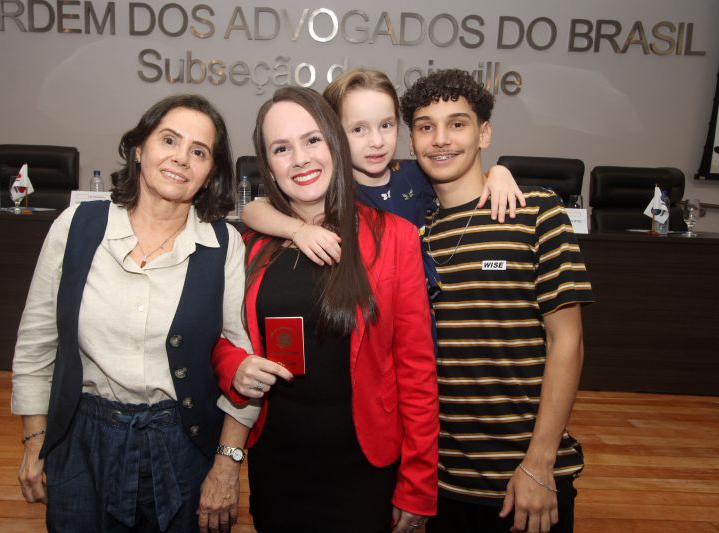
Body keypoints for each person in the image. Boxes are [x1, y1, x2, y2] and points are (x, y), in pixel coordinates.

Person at [12, 94, 259, 533]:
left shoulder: (225, 247)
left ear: (210, 173)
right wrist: (34, 438)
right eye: (169, 140)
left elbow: (244, 366)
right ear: (140, 149)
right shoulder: (76, 227)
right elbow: (37, 342)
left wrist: (227, 464)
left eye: (199, 152)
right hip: (80, 442)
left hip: (182, 444)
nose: (181, 158)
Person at [211, 86, 439, 533]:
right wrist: (233, 366)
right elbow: (222, 339)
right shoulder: (247, 245)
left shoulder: (395, 238)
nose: (300, 159)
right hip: (277, 465)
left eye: (312, 140)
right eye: (281, 148)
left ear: (334, 142)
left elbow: (416, 370)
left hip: (363, 471)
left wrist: (418, 484)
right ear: (268, 165)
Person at [399, 69, 594, 533]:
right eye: (426, 126)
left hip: (527, 477)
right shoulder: (412, 236)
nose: (440, 139)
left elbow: (567, 342)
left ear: (484, 133)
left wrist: (539, 464)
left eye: (457, 124)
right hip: (443, 483)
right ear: (412, 141)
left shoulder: (536, 212)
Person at [240, 67, 525, 274]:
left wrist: (497, 173)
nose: (376, 141)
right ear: (334, 133)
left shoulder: (416, 174)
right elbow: (253, 210)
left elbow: (459, 181)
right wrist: (298, 230)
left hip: (422, 303)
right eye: (358, 129)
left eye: (386, 125)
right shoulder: (336, 188)